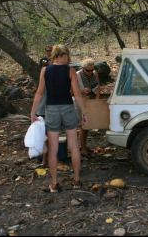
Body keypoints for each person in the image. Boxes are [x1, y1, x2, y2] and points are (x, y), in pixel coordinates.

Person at [30, 44, 87, 192]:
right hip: (68, 108)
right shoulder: (70, 71)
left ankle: (54, 183)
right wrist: (84, 112)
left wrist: (33, 112)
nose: (69, 58)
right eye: (67, 55)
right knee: (74, 146)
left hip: (51, 110)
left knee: (53, 148)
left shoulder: (45, 70)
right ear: (61, 55)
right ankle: (76, 180)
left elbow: (39, 93)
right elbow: (77, 94)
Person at [76, 58, 101, 156]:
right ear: (83, 68)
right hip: (80, 102)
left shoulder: (95, 74)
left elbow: (98, 88)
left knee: (87, 126)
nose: (90, 72)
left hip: (90, 101)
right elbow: (72, 91)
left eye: (91, 70)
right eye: (87, 70)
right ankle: (81, 149)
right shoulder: (77, 75)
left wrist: (97, 101)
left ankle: (83, 146)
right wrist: (82, 91)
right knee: (83, 125)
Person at [36, 46, 53, 167]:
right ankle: (43, 159)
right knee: (43, 133)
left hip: (52, 107)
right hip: (42, 108)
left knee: (50, 134)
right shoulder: (44, 63)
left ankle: (47, 159)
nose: (48, 53)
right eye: (47, 51)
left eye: (50, 51)